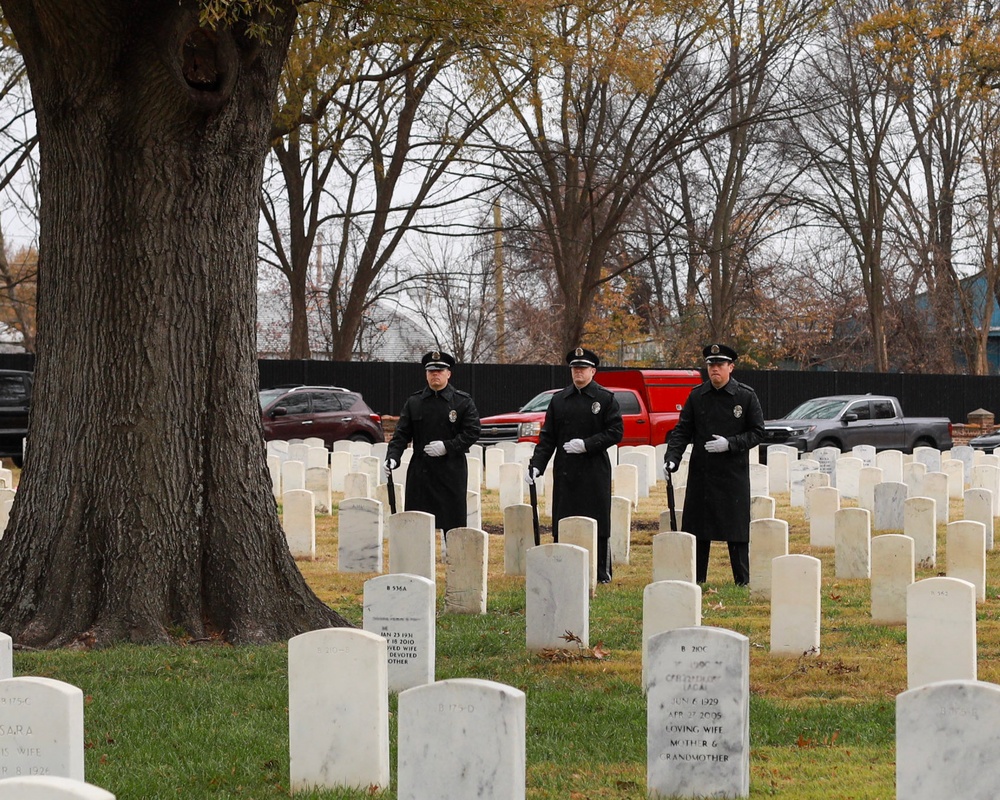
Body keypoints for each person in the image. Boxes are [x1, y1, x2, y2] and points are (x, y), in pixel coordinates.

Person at [664, 343, 764, 586]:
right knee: (699, 528)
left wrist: (730, 443)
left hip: (732, 472)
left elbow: (758, 432)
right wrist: (672, 457)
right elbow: (682, 430)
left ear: (731, 367)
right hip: (703, 473)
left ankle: (742, 579)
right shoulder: (697, 396)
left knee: (736, 530)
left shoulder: (745, 396)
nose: (714, 369)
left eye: (719, 365)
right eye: (711, 365)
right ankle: (697, 578)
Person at [527, 347, 623, 583]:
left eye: (582, 368)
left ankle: (601, 570)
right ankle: (562, 565)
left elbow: (615, 432)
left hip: (594, 469)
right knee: (564, 517)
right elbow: (548, 436)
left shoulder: (604, 398)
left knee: (597, 519)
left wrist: (588, 444)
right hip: (567, 469)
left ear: (593, 370)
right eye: (574, 368)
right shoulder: (559, 400)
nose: (578, 372)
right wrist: (536, 464)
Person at [385, 350, 481, 538]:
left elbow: (472, 432)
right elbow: (401, 434)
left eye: (440, 370)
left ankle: (453, 559)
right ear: (426, 374)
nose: (435, 374)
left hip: (450, 471)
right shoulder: (415, 402)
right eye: (431, 371)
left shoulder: (462, 402)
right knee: (417, 523)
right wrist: (392, 458)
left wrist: (448, 446)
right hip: (422, 472)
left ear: (448, 373)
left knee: (452, 523)